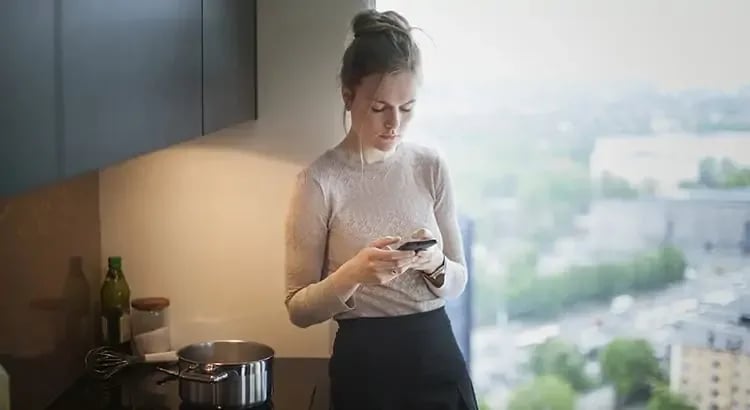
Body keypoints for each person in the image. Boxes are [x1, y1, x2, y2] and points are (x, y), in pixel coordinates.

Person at [284, 8, 479, 410]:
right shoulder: (318, 182)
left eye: (406, 108)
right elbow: (298, 309)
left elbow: (458, 281)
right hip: (365, 365)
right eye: (379, 107)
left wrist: (434, 263)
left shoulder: (429, 165)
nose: (394, 123)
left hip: (437, 356)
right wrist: (353, 274)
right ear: (348, 97)